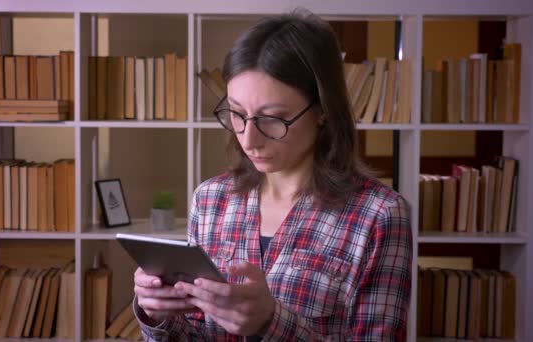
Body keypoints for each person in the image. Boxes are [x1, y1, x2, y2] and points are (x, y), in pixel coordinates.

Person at [133, 9, 412, 341]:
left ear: (323, 110)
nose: (248, 140)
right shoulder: (210, 200)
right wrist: (158, 315)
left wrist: (271, 324)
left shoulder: (379, 215)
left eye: (273, 118)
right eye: (236, 114)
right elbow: (195, 334)